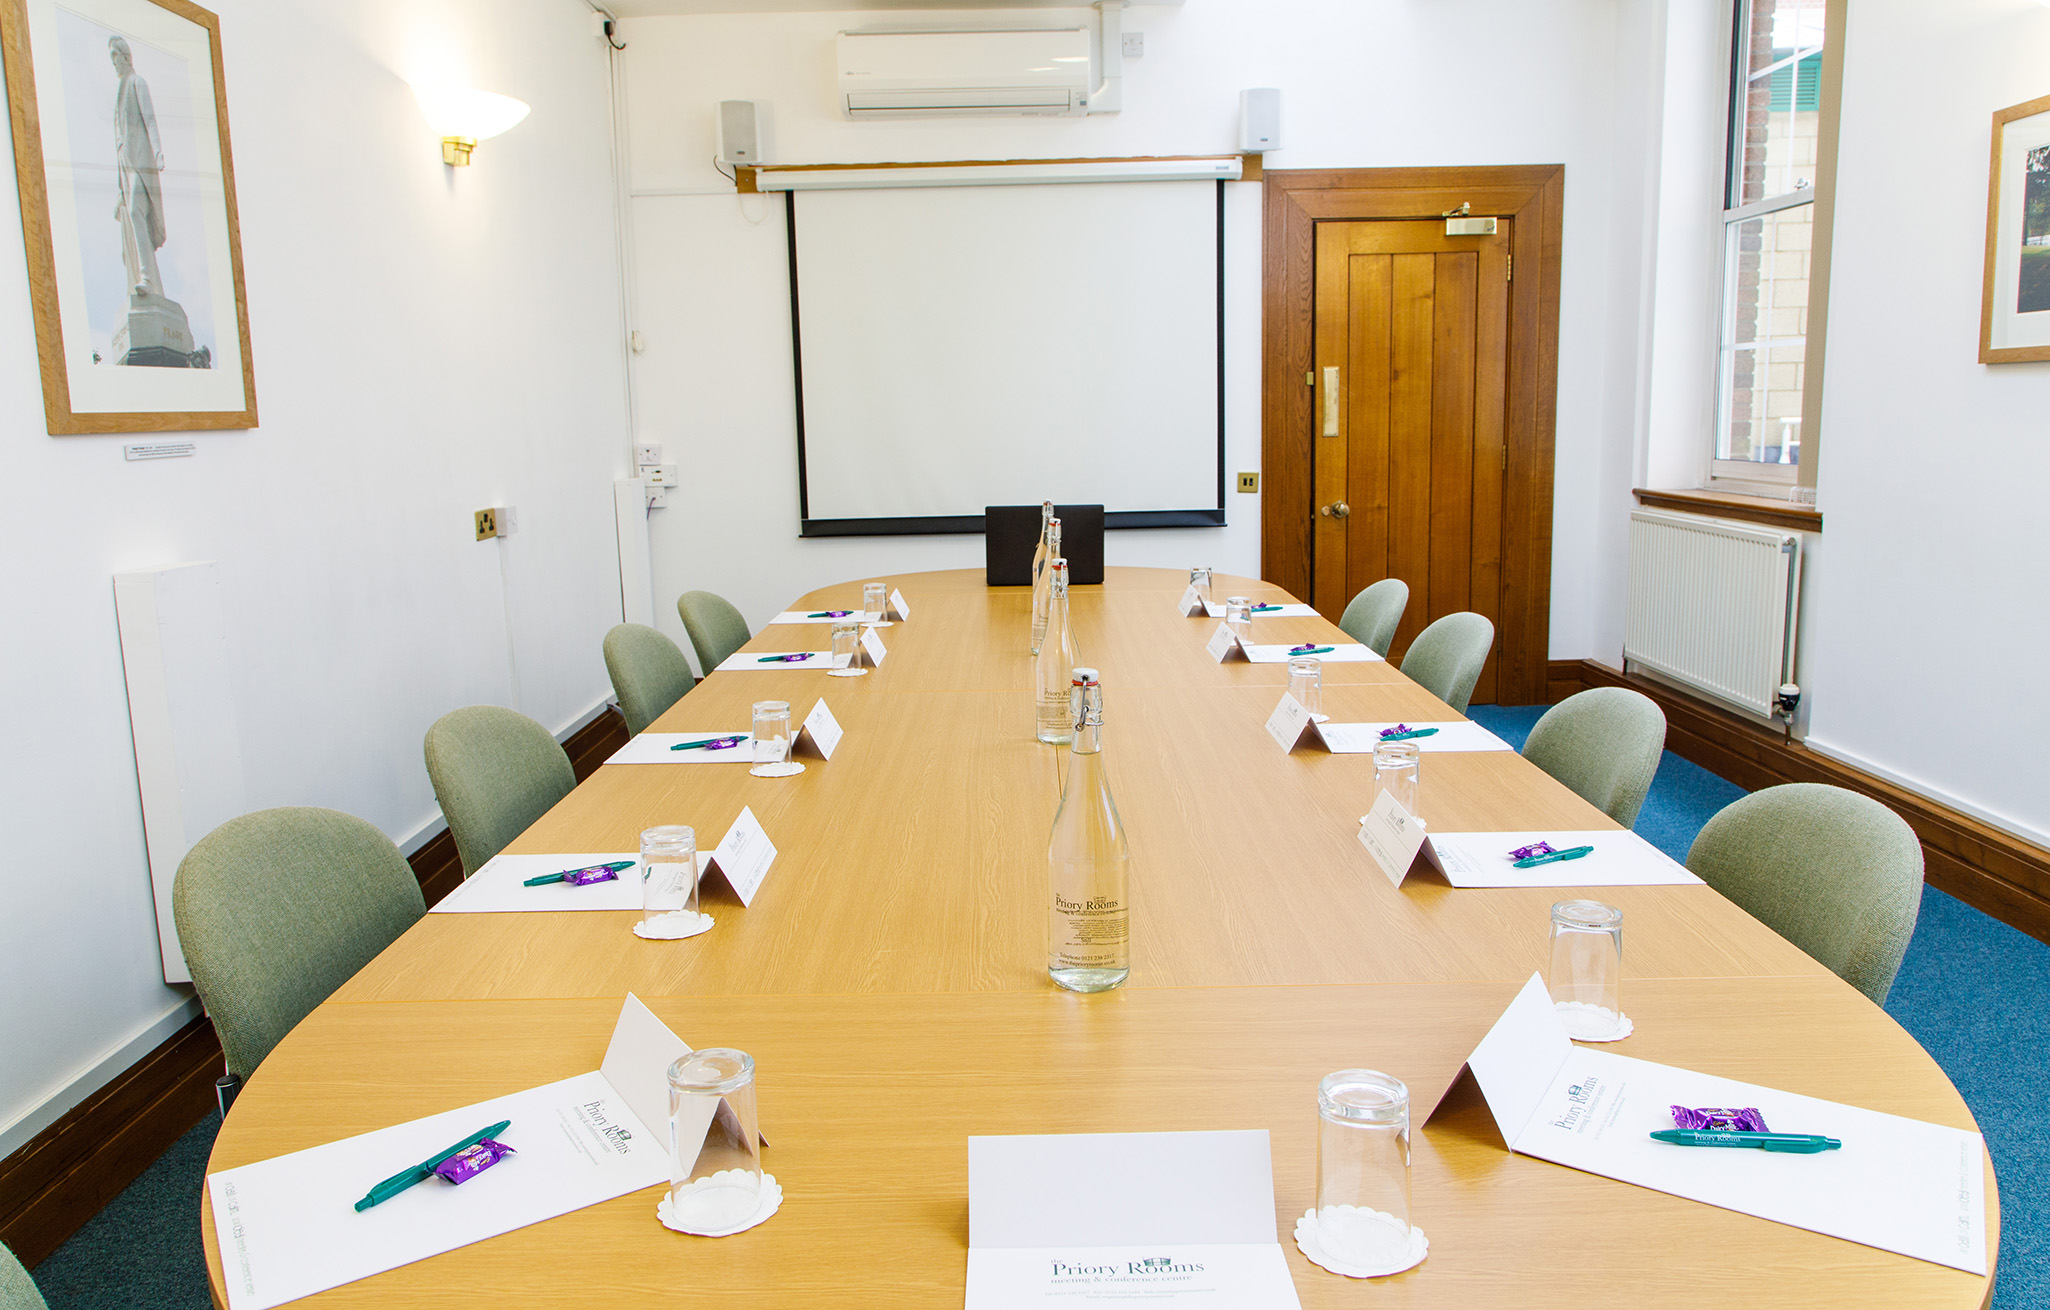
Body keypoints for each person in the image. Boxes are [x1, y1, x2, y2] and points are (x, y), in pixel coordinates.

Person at [110, 35, 166, 298]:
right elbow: (120, 145)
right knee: (132, 216)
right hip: (126, 168)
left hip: (142, 163)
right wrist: (119, 188)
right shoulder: (118, 96)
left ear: (125, 55)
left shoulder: (137, 83)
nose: (113, 62)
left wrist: (157, 151)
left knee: (136, 211)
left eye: (115, 55)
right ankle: (147, 278)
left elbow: (150, 120)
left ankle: (147, 279)